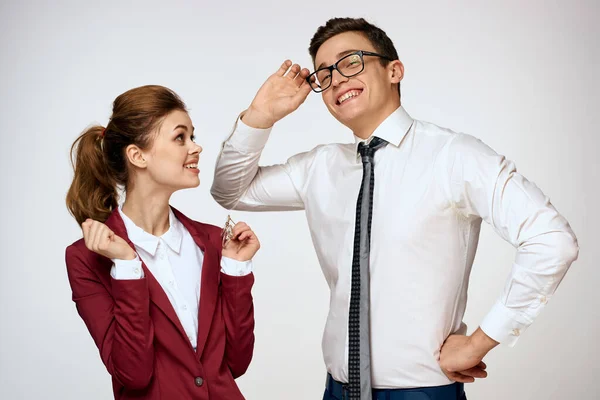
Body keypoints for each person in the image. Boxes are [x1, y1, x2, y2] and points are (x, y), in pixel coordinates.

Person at [210, 17, 579, 400]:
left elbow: (552, 241)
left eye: (351, 61)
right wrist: (260, 116)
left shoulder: (453, 156)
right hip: (337, 389)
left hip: (421, 391)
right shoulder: (320, 166)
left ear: (393, 70)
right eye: (324, 73)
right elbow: (231, 190)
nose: (336, 79)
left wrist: (482, 341)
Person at [65, 85, 259, 400]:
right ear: (137, 156)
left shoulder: (212, 242)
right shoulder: (86, 258)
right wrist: (127, 268)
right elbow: (134, 374)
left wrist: (236, 271)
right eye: (180, 137)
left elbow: (236, 362)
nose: (196, 148)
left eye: (192, 137)